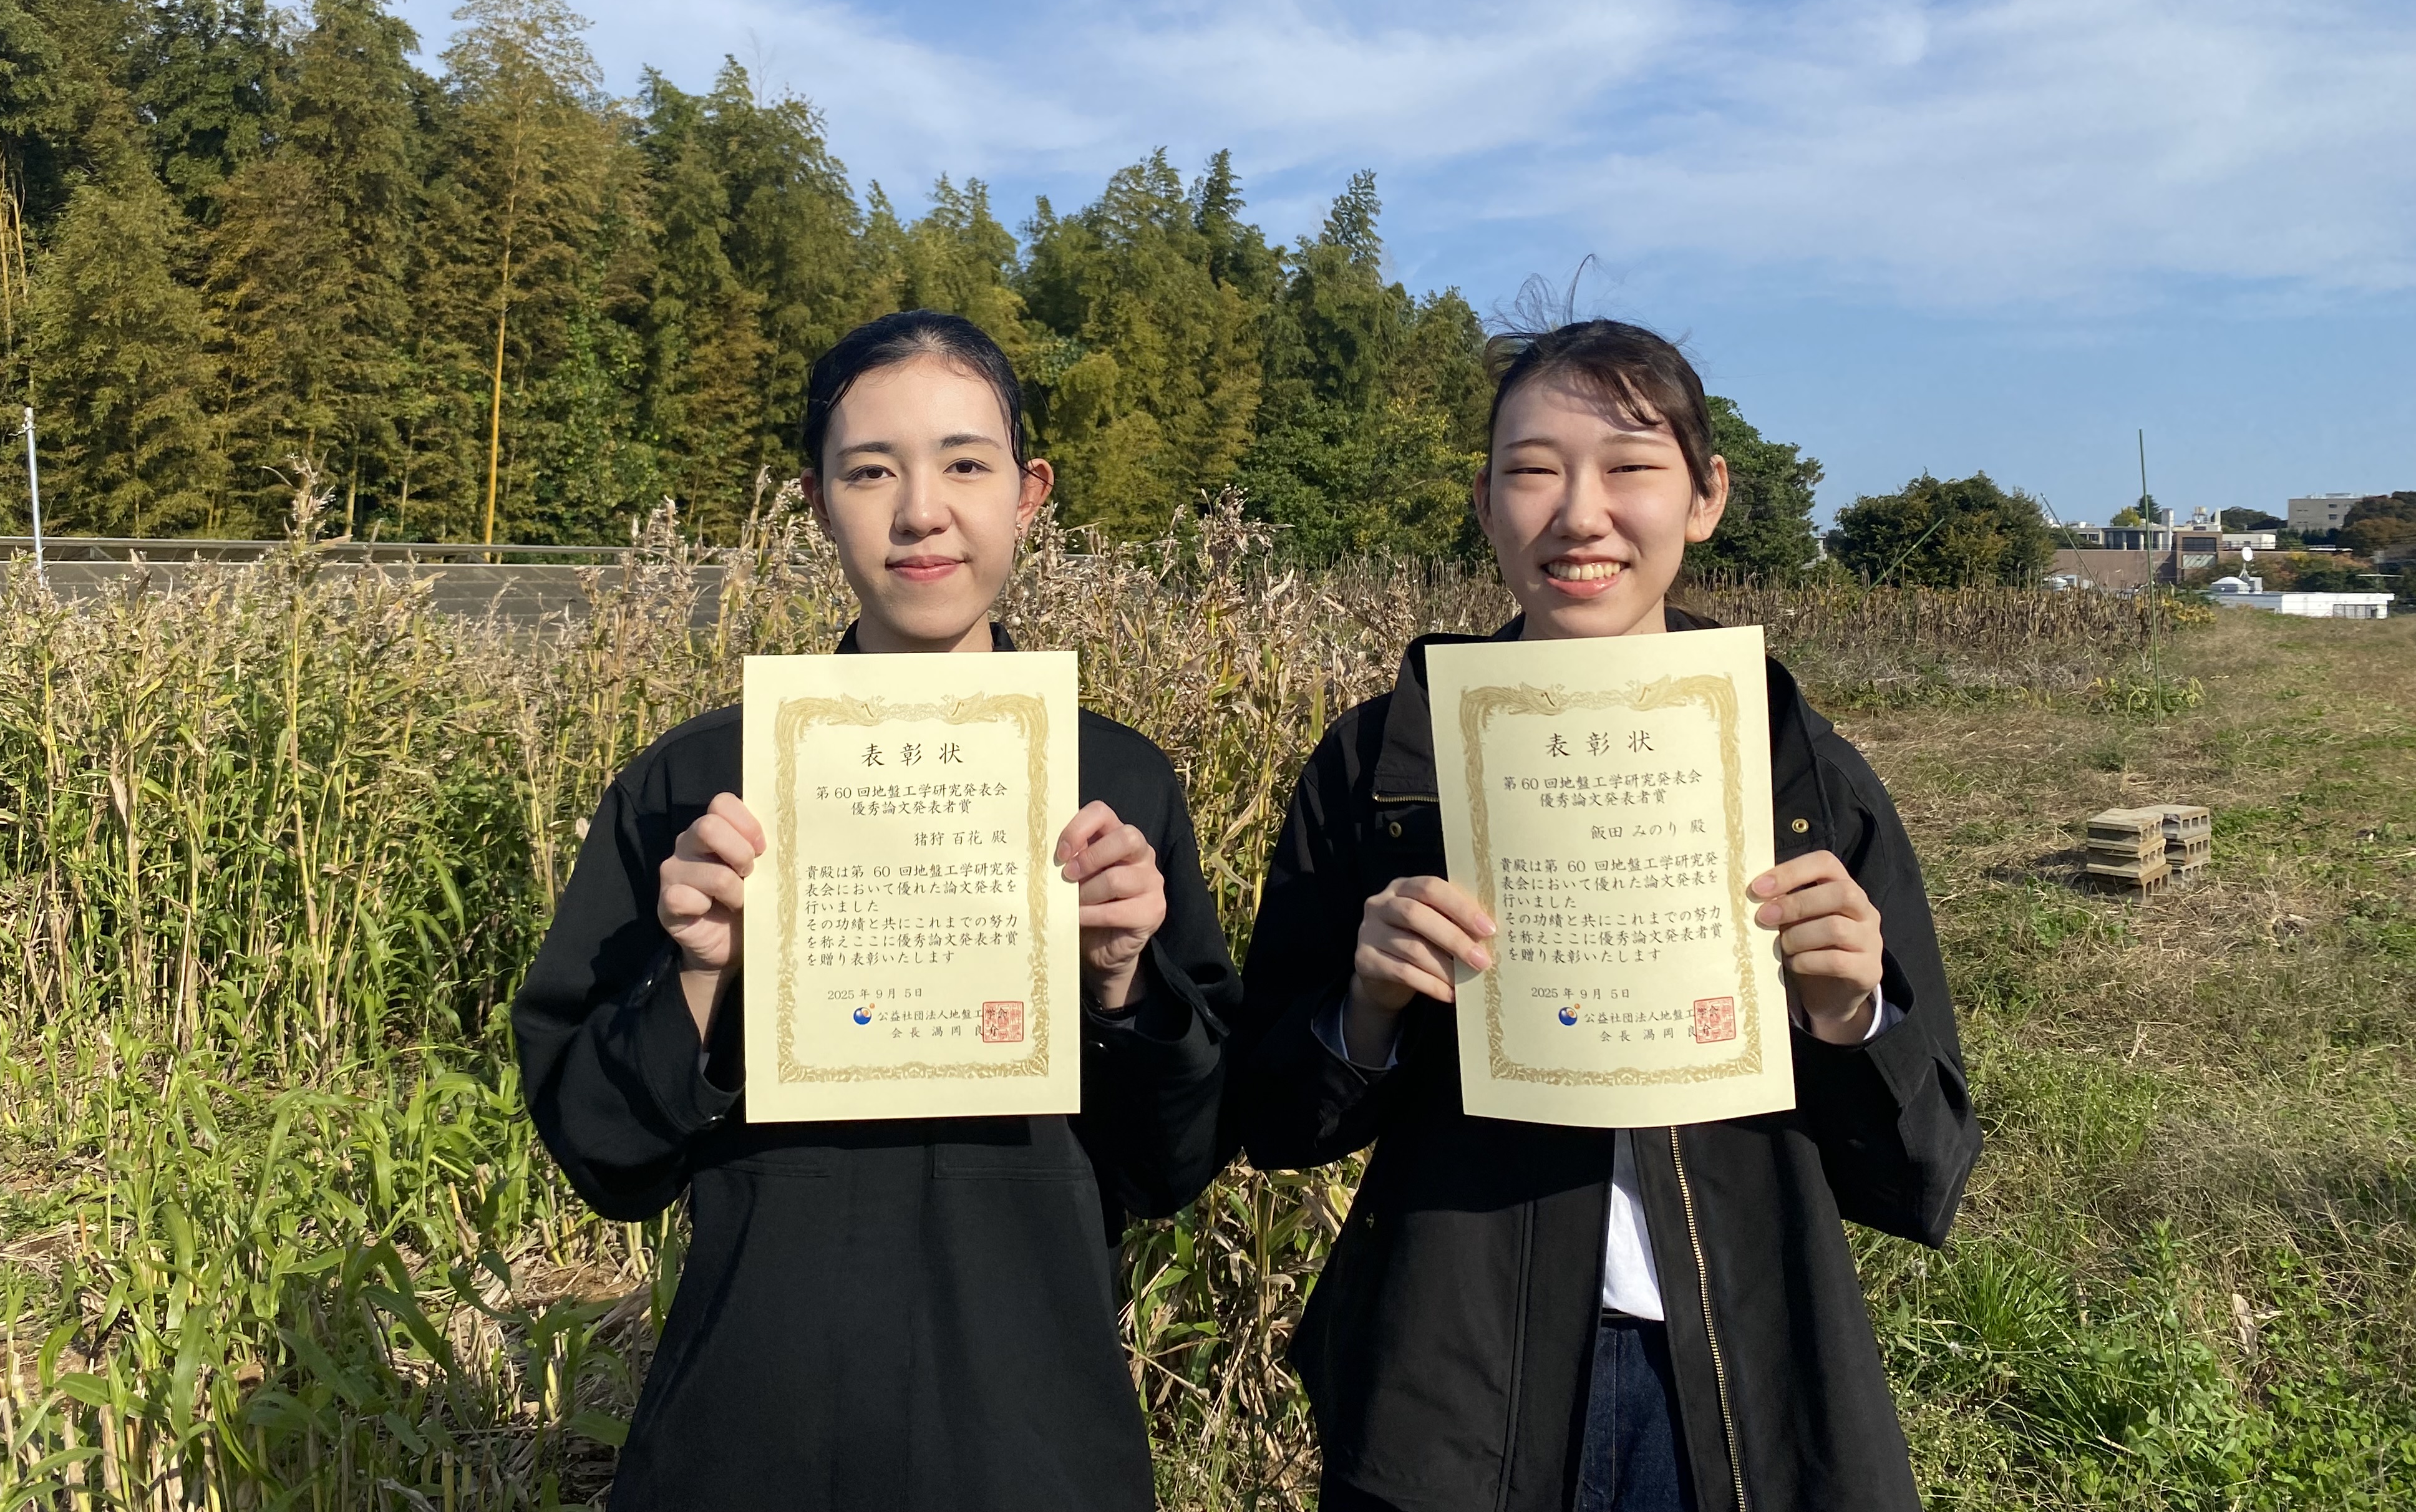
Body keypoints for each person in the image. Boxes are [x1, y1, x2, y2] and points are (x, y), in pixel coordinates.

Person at [1227, 316, 1979, 1512]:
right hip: (1453, 1385)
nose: (1582, 514)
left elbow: (1925, 1166)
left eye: (1632, 467)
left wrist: (1852, 1016)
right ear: (1483, 502)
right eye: (1534, 470)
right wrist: (1362, 1009)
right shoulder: (1384, 766)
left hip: (1734, 1387)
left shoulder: (1800, 779)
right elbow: (1271, 1115)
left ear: (1706, 496)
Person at [514, 310, 1237, 1512]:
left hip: (1034, 1424)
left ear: (1030, 492)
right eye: (870, 471)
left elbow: (1177, 1160)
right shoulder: (693, 789)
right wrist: (699, 977)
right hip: (757, 1420)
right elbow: (601, 1152)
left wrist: (1122, 983)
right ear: (815, 500)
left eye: (966, 463)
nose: (920, 512)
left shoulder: (1118, 787)